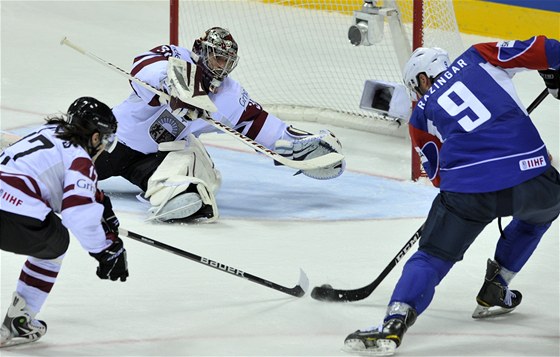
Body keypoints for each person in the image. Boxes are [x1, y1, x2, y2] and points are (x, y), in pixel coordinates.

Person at [343, 35, 560, 355]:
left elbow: (438, 177)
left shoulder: (419, 117)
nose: (417, 95)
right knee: (539, 215)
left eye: (415, 88)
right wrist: (553, 73)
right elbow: (549, 48)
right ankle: (497, 285)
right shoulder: (479, 55)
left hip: (469, 192)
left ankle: (394, 324)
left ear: (422, 78)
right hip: (535, 180)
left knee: (431, 256)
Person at [95, 27, 345, 223]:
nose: (221, 67)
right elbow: (140, 67)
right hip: (115, 141)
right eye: (217, 59)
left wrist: (295, 145)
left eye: (227, 61)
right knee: (69, 169)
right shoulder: (174, 57)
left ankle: (176, 193)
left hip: (156, 158)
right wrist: (175, 84)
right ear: (200, 51)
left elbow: (258, 124)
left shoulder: (229, 95)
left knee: (192, 161)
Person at [0, 97, 129, 347]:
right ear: (94, 137)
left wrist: (99, 200)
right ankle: (19, 321)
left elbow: (51, 178)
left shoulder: (48, 133)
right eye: (105, 139)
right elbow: (76, 213)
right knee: (54, 245)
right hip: (13, 212)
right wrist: (105, 249)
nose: (104, 146)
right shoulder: (81, 159)